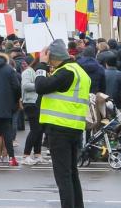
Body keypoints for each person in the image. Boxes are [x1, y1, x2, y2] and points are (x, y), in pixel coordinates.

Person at [34, 39, 91, 208]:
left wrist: (42, 65)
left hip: (59, 128)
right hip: (74, 127)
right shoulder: (79, 71)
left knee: (63, 176)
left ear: (52, 56)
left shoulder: (66, 72)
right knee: (72, 173)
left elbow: (41, 86)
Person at [21, 54, 46, 165]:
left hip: (38, 103)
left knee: (39, 130)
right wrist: (39, 85)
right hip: (30, 103)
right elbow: (25, 85)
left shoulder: (37, 72)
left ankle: (37, 153)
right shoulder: (28, 72)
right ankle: (26, 155)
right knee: (35, 129)